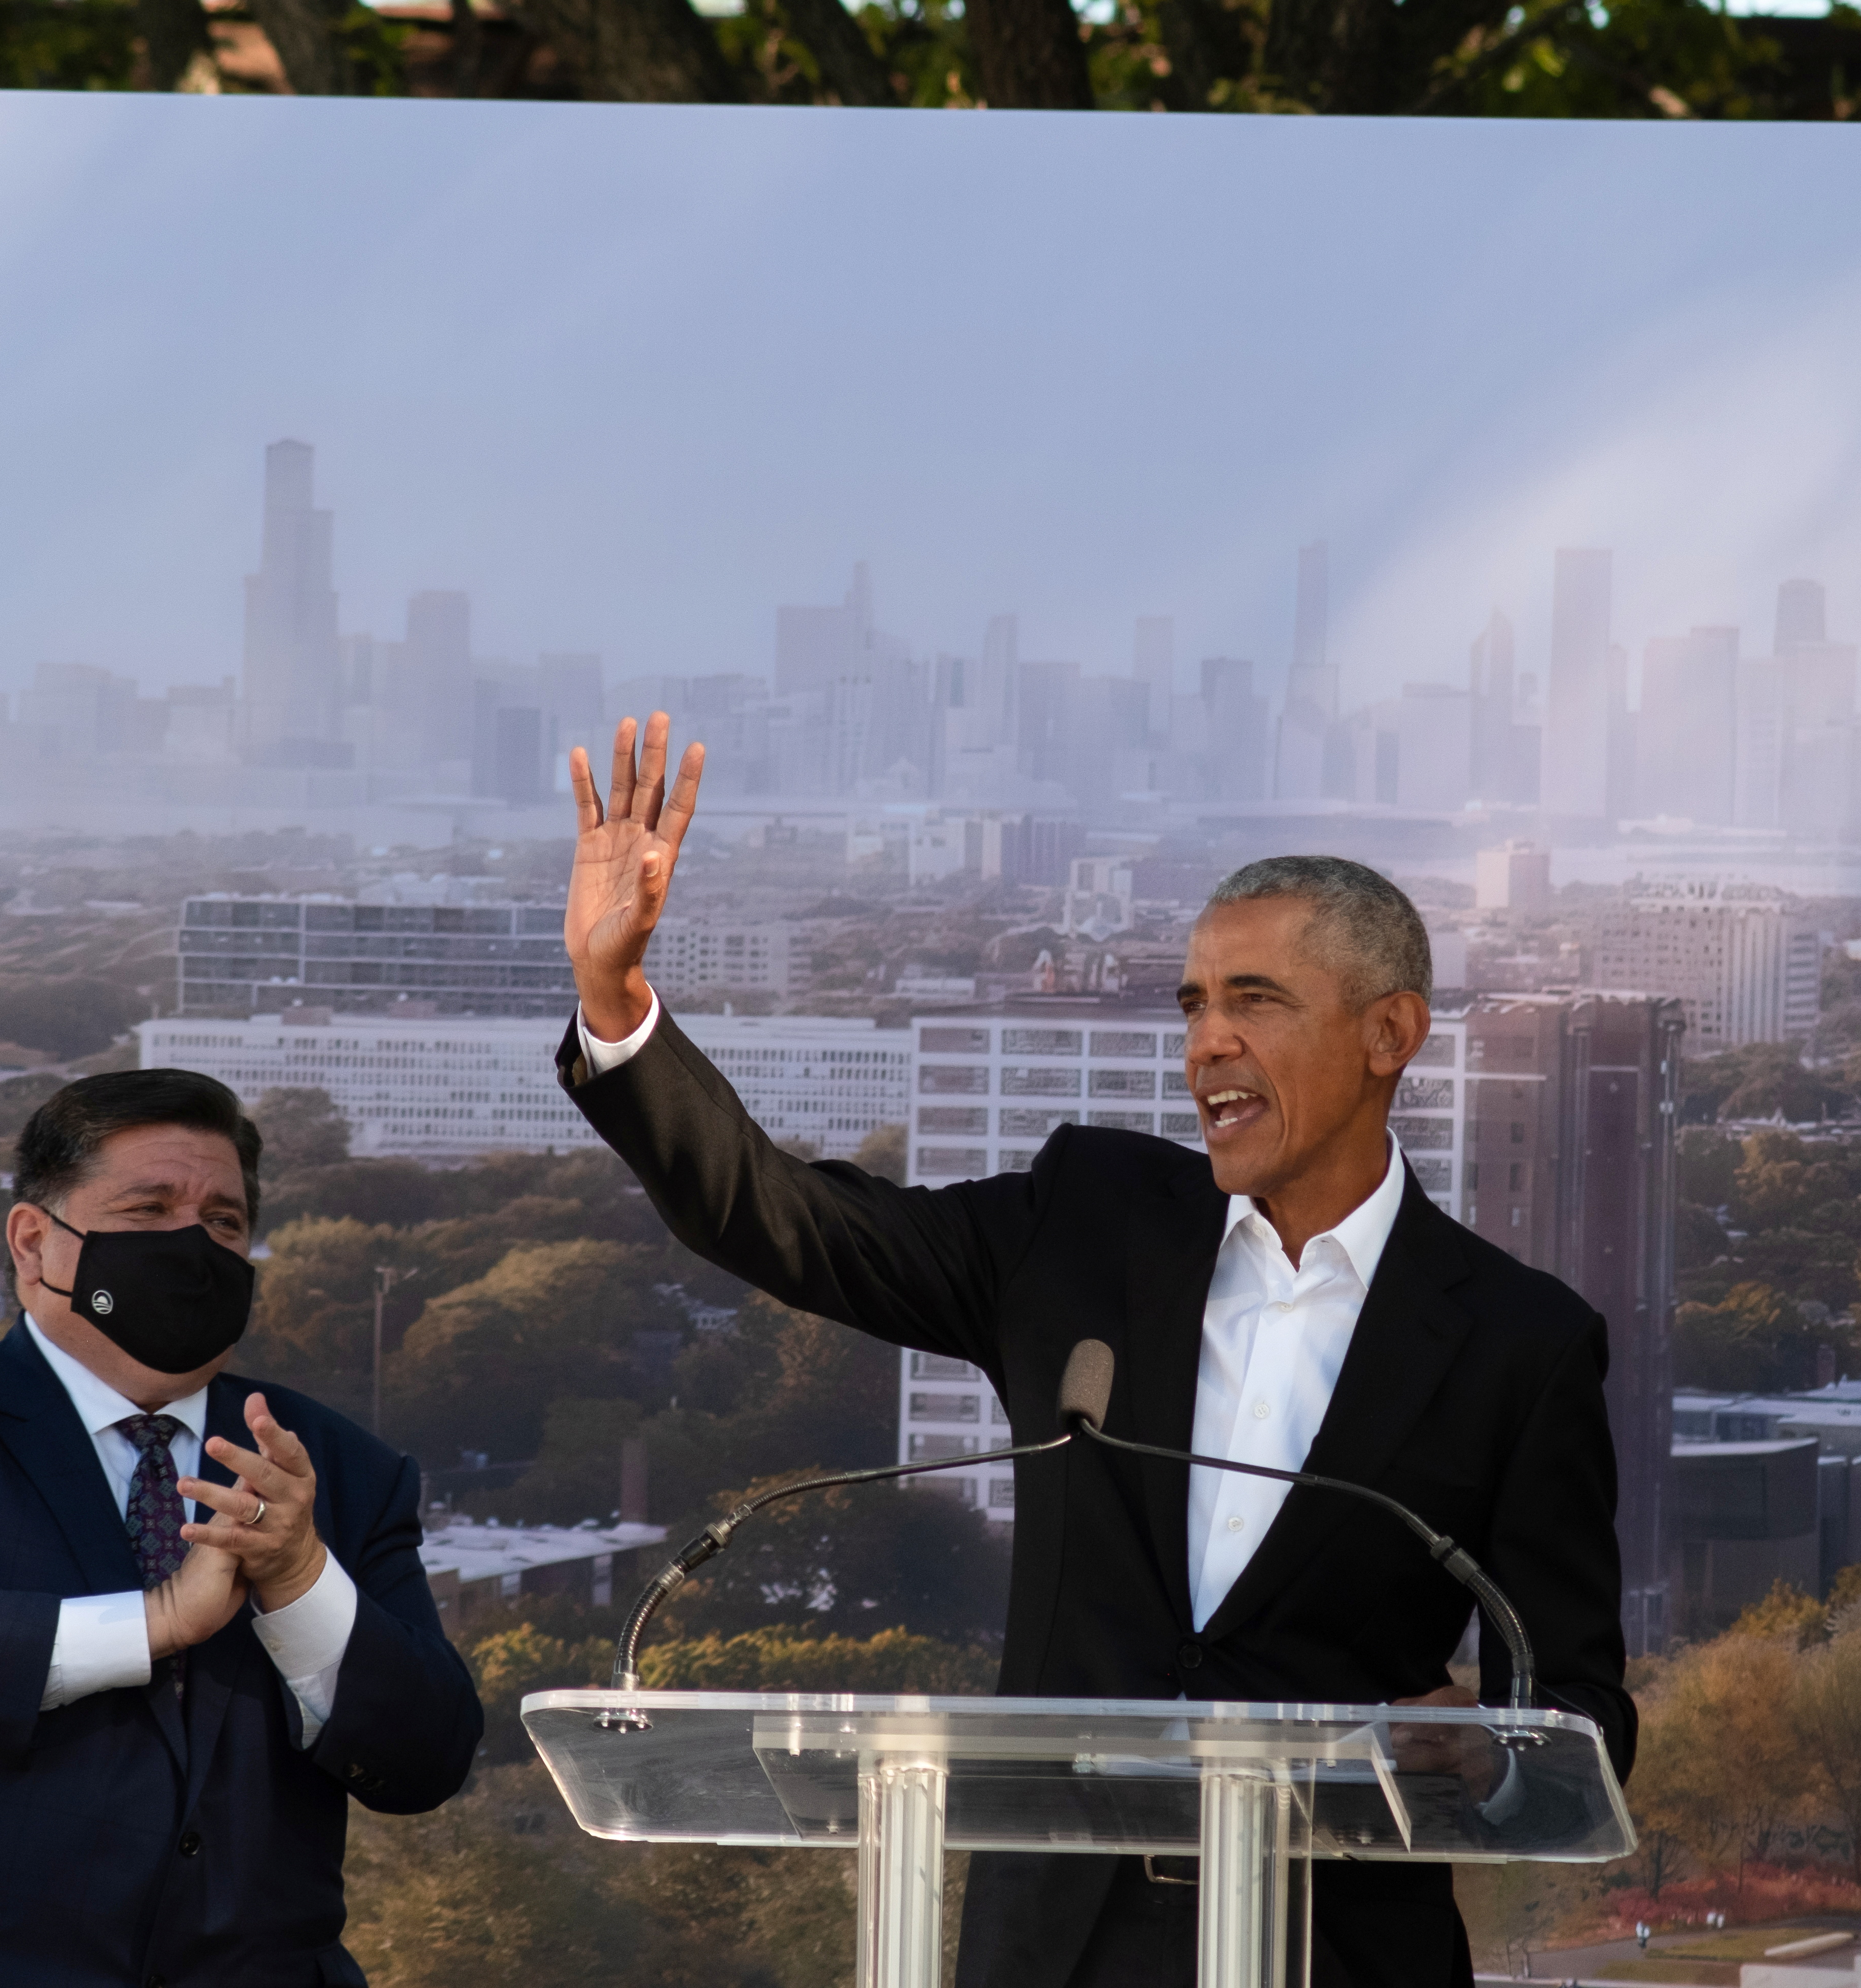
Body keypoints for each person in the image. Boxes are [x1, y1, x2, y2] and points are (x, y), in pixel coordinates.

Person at [556, 718, 1633, 1987]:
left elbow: (1580, 1712)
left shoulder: (1521, 1340)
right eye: (1195, 1004)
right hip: (1052, 1949)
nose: (1206, 1041)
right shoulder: (1087, 1222)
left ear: (1390, 1032)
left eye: (1255, 1000)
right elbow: (793, 1221)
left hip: (1336, 1954)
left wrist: (1501, 1753)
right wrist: (615, 1005)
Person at [0, 1070, 484, 1986]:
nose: (193, 1247)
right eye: (149, 1210)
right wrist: (158, 1620)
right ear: (36, 1243)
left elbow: (428, 1757)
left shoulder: (335, 1470)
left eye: (224, 1223)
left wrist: (300, 1579)